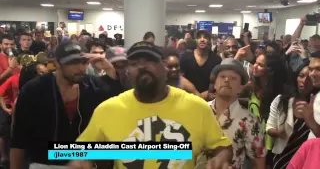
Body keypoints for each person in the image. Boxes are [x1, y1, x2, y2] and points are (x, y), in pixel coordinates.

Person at [69, 41, 233, 169]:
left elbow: (222, 146)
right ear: (128, 71)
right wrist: (80, 159)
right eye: (134, 63)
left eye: (149, 61)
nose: (141, 66)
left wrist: (220, 159)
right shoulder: (108, 110)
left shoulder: (196, 107)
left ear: (164, 66)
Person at [10, 41, 117, 169]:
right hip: (43, 163)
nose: (81, 68)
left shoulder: (94, 86)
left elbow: (115, 113)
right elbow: (18, 139)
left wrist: (109, 69)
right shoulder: (34, 89)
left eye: (84, 62)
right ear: (57, 63)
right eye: (73, 63)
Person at [197, 58, 266, 169]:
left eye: (233, 78)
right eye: (222, 76)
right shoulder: (199, 111)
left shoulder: (249, 121)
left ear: (240, 88)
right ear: (214, 84)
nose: (227, 80)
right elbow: (181, 151)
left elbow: (258, 163)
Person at [267, 62, 313, 169]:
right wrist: (279, 132)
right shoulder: (281, 101)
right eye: (301, 76)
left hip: (308, 159)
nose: (304, 81)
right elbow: (269, 128)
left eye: (310, 78)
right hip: (282, 156)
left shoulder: (317, 104)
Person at [180, 30, 222, 94]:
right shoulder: (185, 57)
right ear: (195, 40)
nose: (202, 40)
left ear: (209, 40)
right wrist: (196, 94)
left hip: (209, 98)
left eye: (205, 37)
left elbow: (218, 80)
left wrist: (208, 93)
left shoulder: (217, 60)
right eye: (199, 37)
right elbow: (180, 78)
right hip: (188, 97)